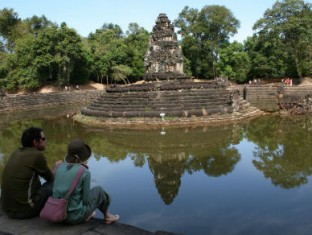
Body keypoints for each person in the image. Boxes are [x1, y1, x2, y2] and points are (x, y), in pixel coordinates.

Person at [52, 139, 119, 224]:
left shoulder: (59, 166)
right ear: (79, 158)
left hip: (56, 213)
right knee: (99, 191)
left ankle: (89, 214)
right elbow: (85, 200)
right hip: (73, 217)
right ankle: (108, 216)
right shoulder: (84, 172)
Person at [1, 127, 62, 219]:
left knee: (33, 178)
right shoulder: (37, 156)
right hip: (25, 211)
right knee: (55, 182)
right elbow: (50, 178)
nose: (45, 141)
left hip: (7, 210)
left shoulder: (15, 152)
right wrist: (57, 166)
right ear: (35, 142)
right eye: (43, 139)